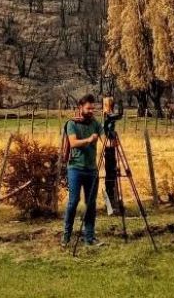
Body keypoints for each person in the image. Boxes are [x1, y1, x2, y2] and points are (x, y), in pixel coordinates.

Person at [61, 93, 105, 247]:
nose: (91, 111)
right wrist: (89, 140)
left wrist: (110, 137)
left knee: (91, 203)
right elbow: (72, 143)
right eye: (89, 108)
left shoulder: (96, 123)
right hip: (75, 168)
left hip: (92, 169)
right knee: (73, 202)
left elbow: (105, 141)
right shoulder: (72, 123)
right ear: (81, 108)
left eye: (93, 108)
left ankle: (89, 237)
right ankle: (66, 236)